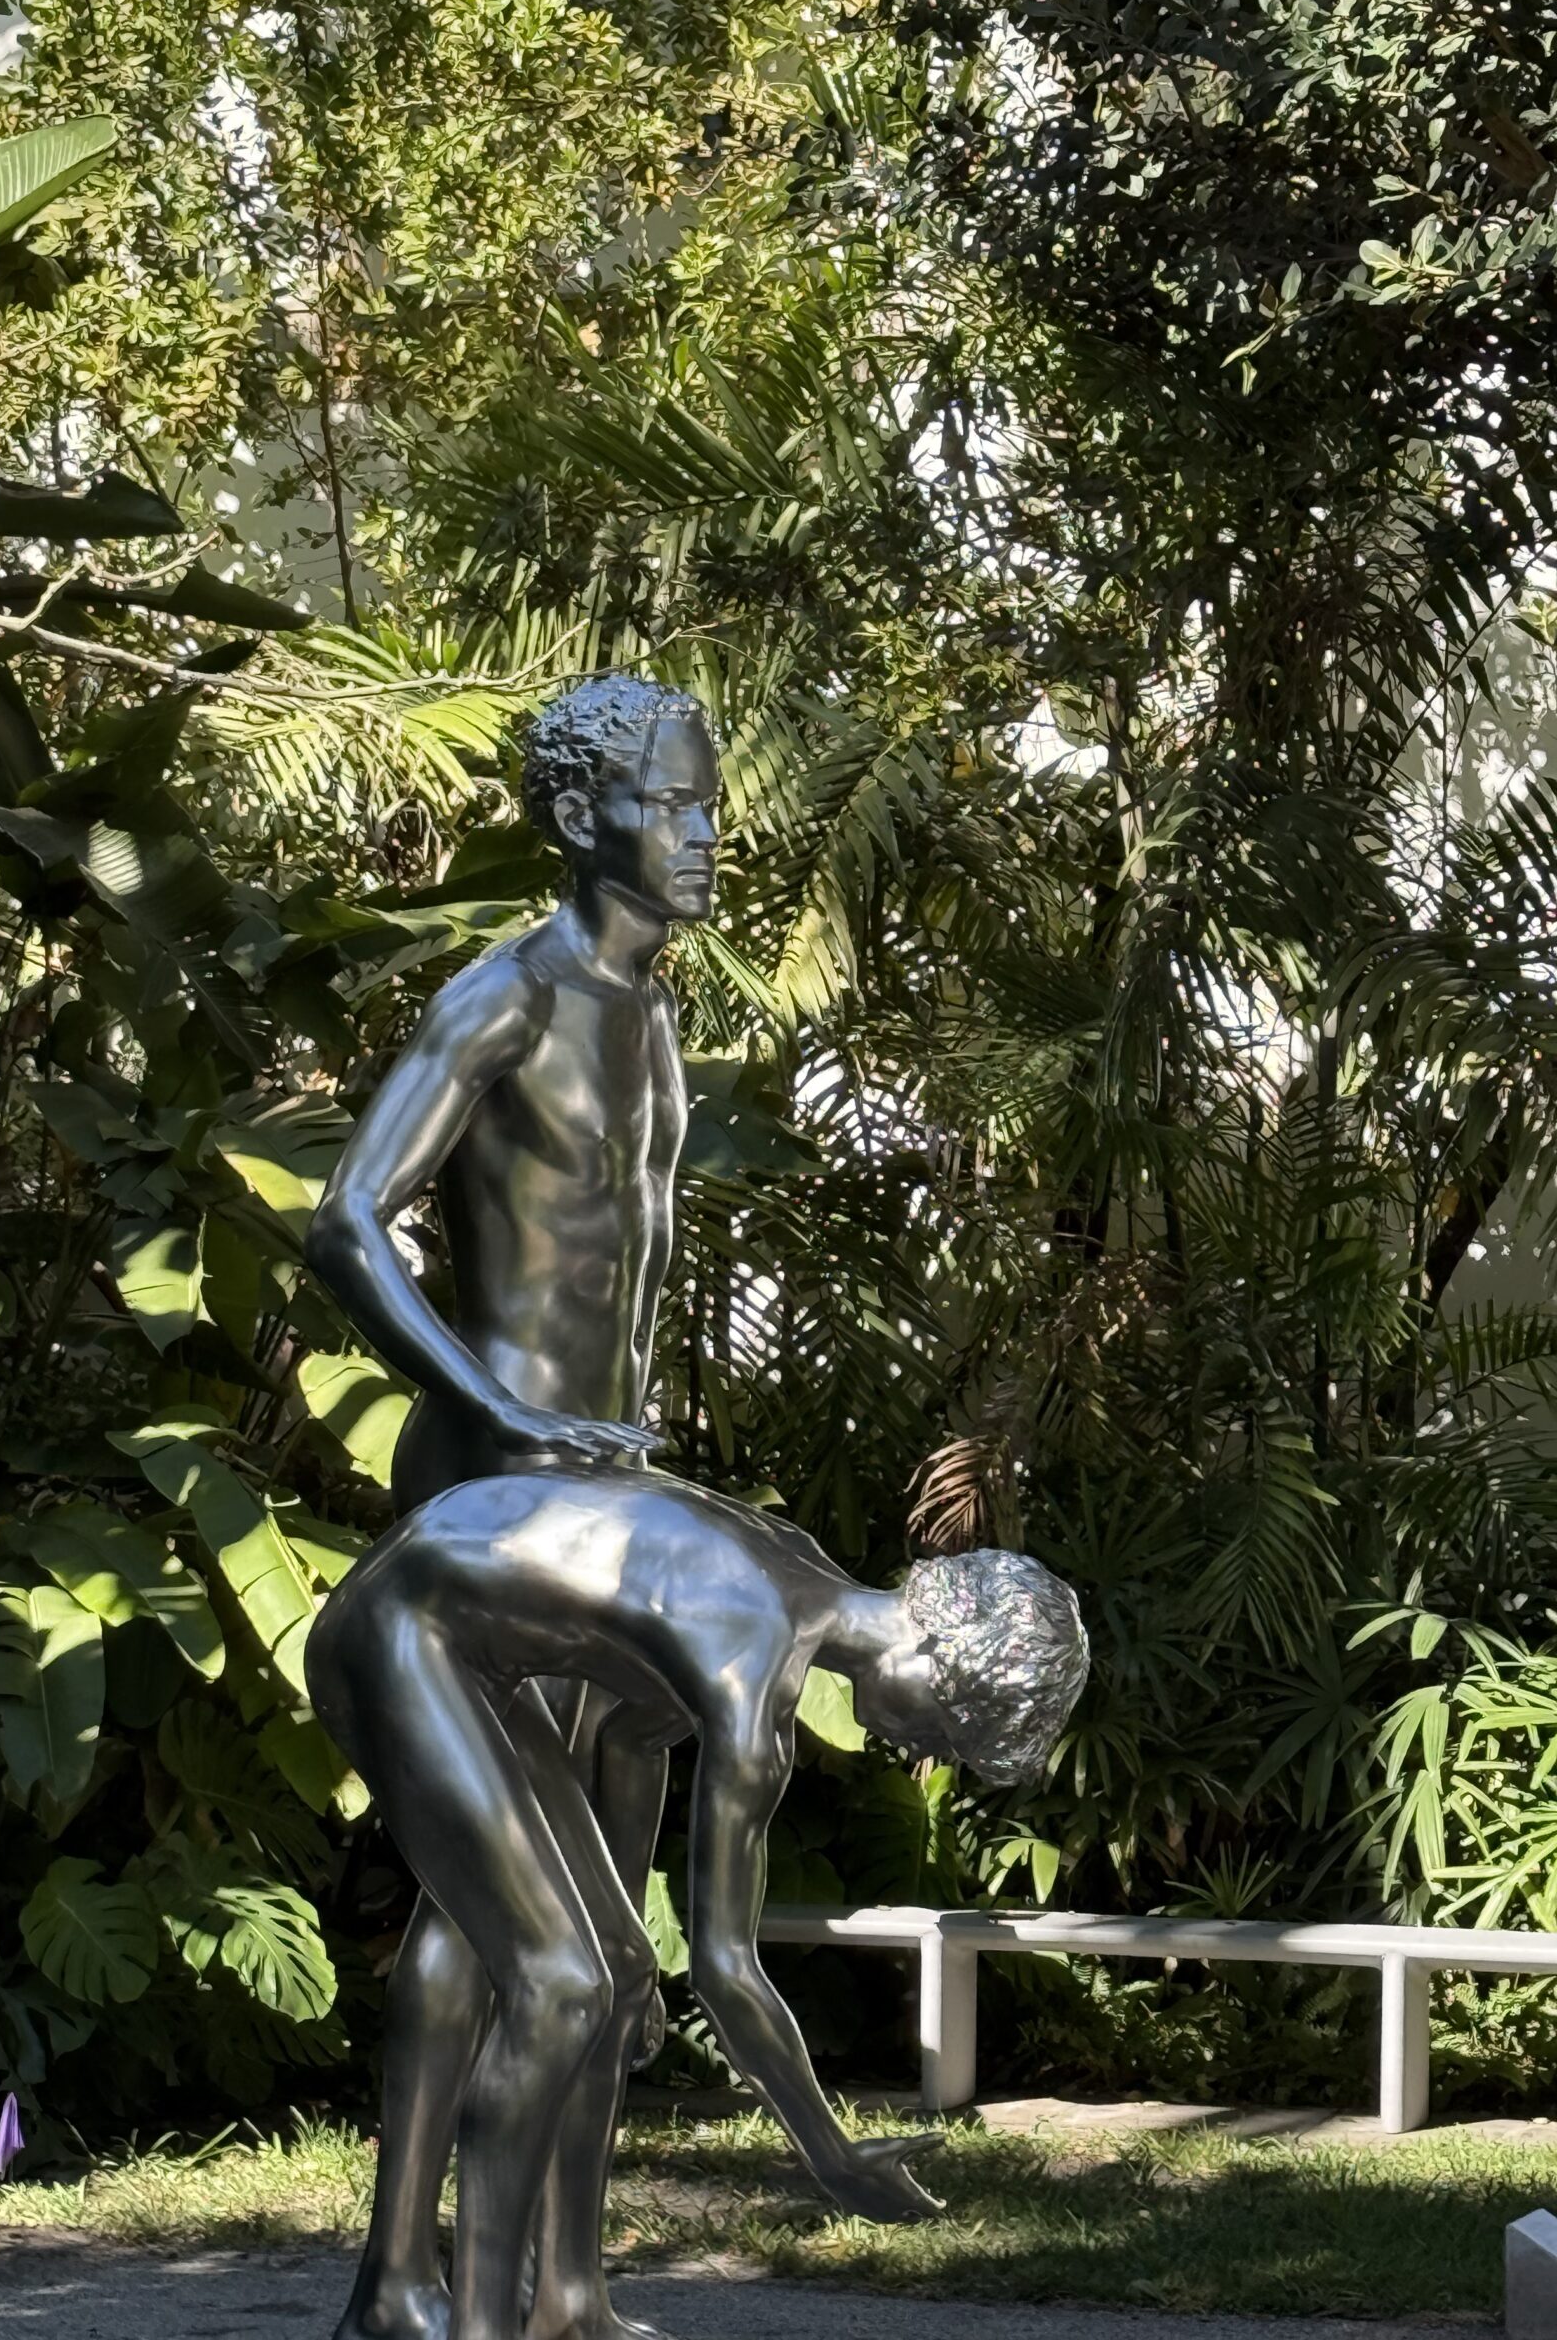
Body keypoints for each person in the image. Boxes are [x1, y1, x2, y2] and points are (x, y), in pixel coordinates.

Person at [306, 674, 720, 2340]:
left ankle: (563, 2282)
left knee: (605, 1898)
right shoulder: (507, 996)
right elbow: (347, 1218)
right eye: (670, 806)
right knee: (486, 1914)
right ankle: (397, 2279)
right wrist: (494, 1404)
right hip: (496, 1506)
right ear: (576, 817)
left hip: (617, 1513)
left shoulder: (653, 1018)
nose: (700, 836)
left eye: (707, 806)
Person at [307, 1466, 1089, 2340]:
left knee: (613, 1973)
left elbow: (633, 1739)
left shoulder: (794, 1573)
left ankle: (562, 2312)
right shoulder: (755, 1670)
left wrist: (625, 1943)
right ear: (933, 1650)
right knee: (560, 1987)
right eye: (945, 1721)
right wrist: (833, 2156)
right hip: (397, 1635)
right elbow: (726, 1972)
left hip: (461, 1649)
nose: (925, 1747)